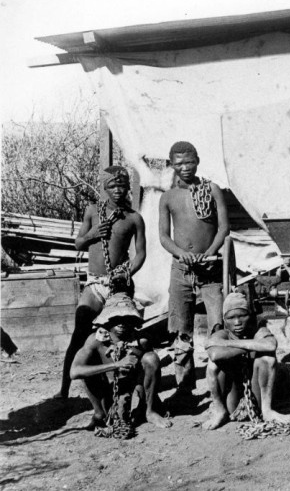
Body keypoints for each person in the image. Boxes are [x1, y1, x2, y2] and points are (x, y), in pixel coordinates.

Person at [57, 166, 146, 399]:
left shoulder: (134, 218)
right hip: (95, 284)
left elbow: (140, 254)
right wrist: (93, 234)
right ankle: (64, 389)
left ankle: (137, 389)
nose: (117, 190)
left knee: (127, 335)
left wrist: (126, 273)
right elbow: (79, 244)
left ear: (128, 187)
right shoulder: (92, 211)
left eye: (121, 186)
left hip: (120, 284)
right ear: (104, 188)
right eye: (112, 186)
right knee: (80, 333)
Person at [159, 141, 230, 398]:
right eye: (179, 164)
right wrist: (183, 254)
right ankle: (184, 390)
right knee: (181, 331)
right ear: (172, 165)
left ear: (197, 160)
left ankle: (221, 387)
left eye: (189, 162)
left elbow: (223, 228)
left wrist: (209, 253)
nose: (185, 168)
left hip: (210, 268)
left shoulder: (211, 189)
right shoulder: (168, 197)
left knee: (219, 325)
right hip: (181, 269)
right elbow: (164, 237)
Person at [70, 293, 171, 435]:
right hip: (107, 390)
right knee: (87, 370)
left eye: (126, 319)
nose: (121, 324)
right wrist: (116, 365)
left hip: (132, 389)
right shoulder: (95, 340)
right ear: (107, 321)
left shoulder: (141, 340)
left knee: (151, 358)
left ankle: (150, 411)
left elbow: (151, 370)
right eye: (116, 319)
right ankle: (99, 413)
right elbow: (74, 372)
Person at [202, 291, 290, 430]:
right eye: (231, 318)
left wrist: (230, 345)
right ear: (224, 320)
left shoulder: (258, 330)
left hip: (256, 394)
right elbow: (214, 354)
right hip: (233, 394)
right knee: (213, 364)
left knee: (267, 357)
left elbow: (270, 345)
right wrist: (254, 346)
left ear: (250, 316)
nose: (237, 322)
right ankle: (220, 410)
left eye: (242, 316)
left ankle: (267, 411)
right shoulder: (222, 334)